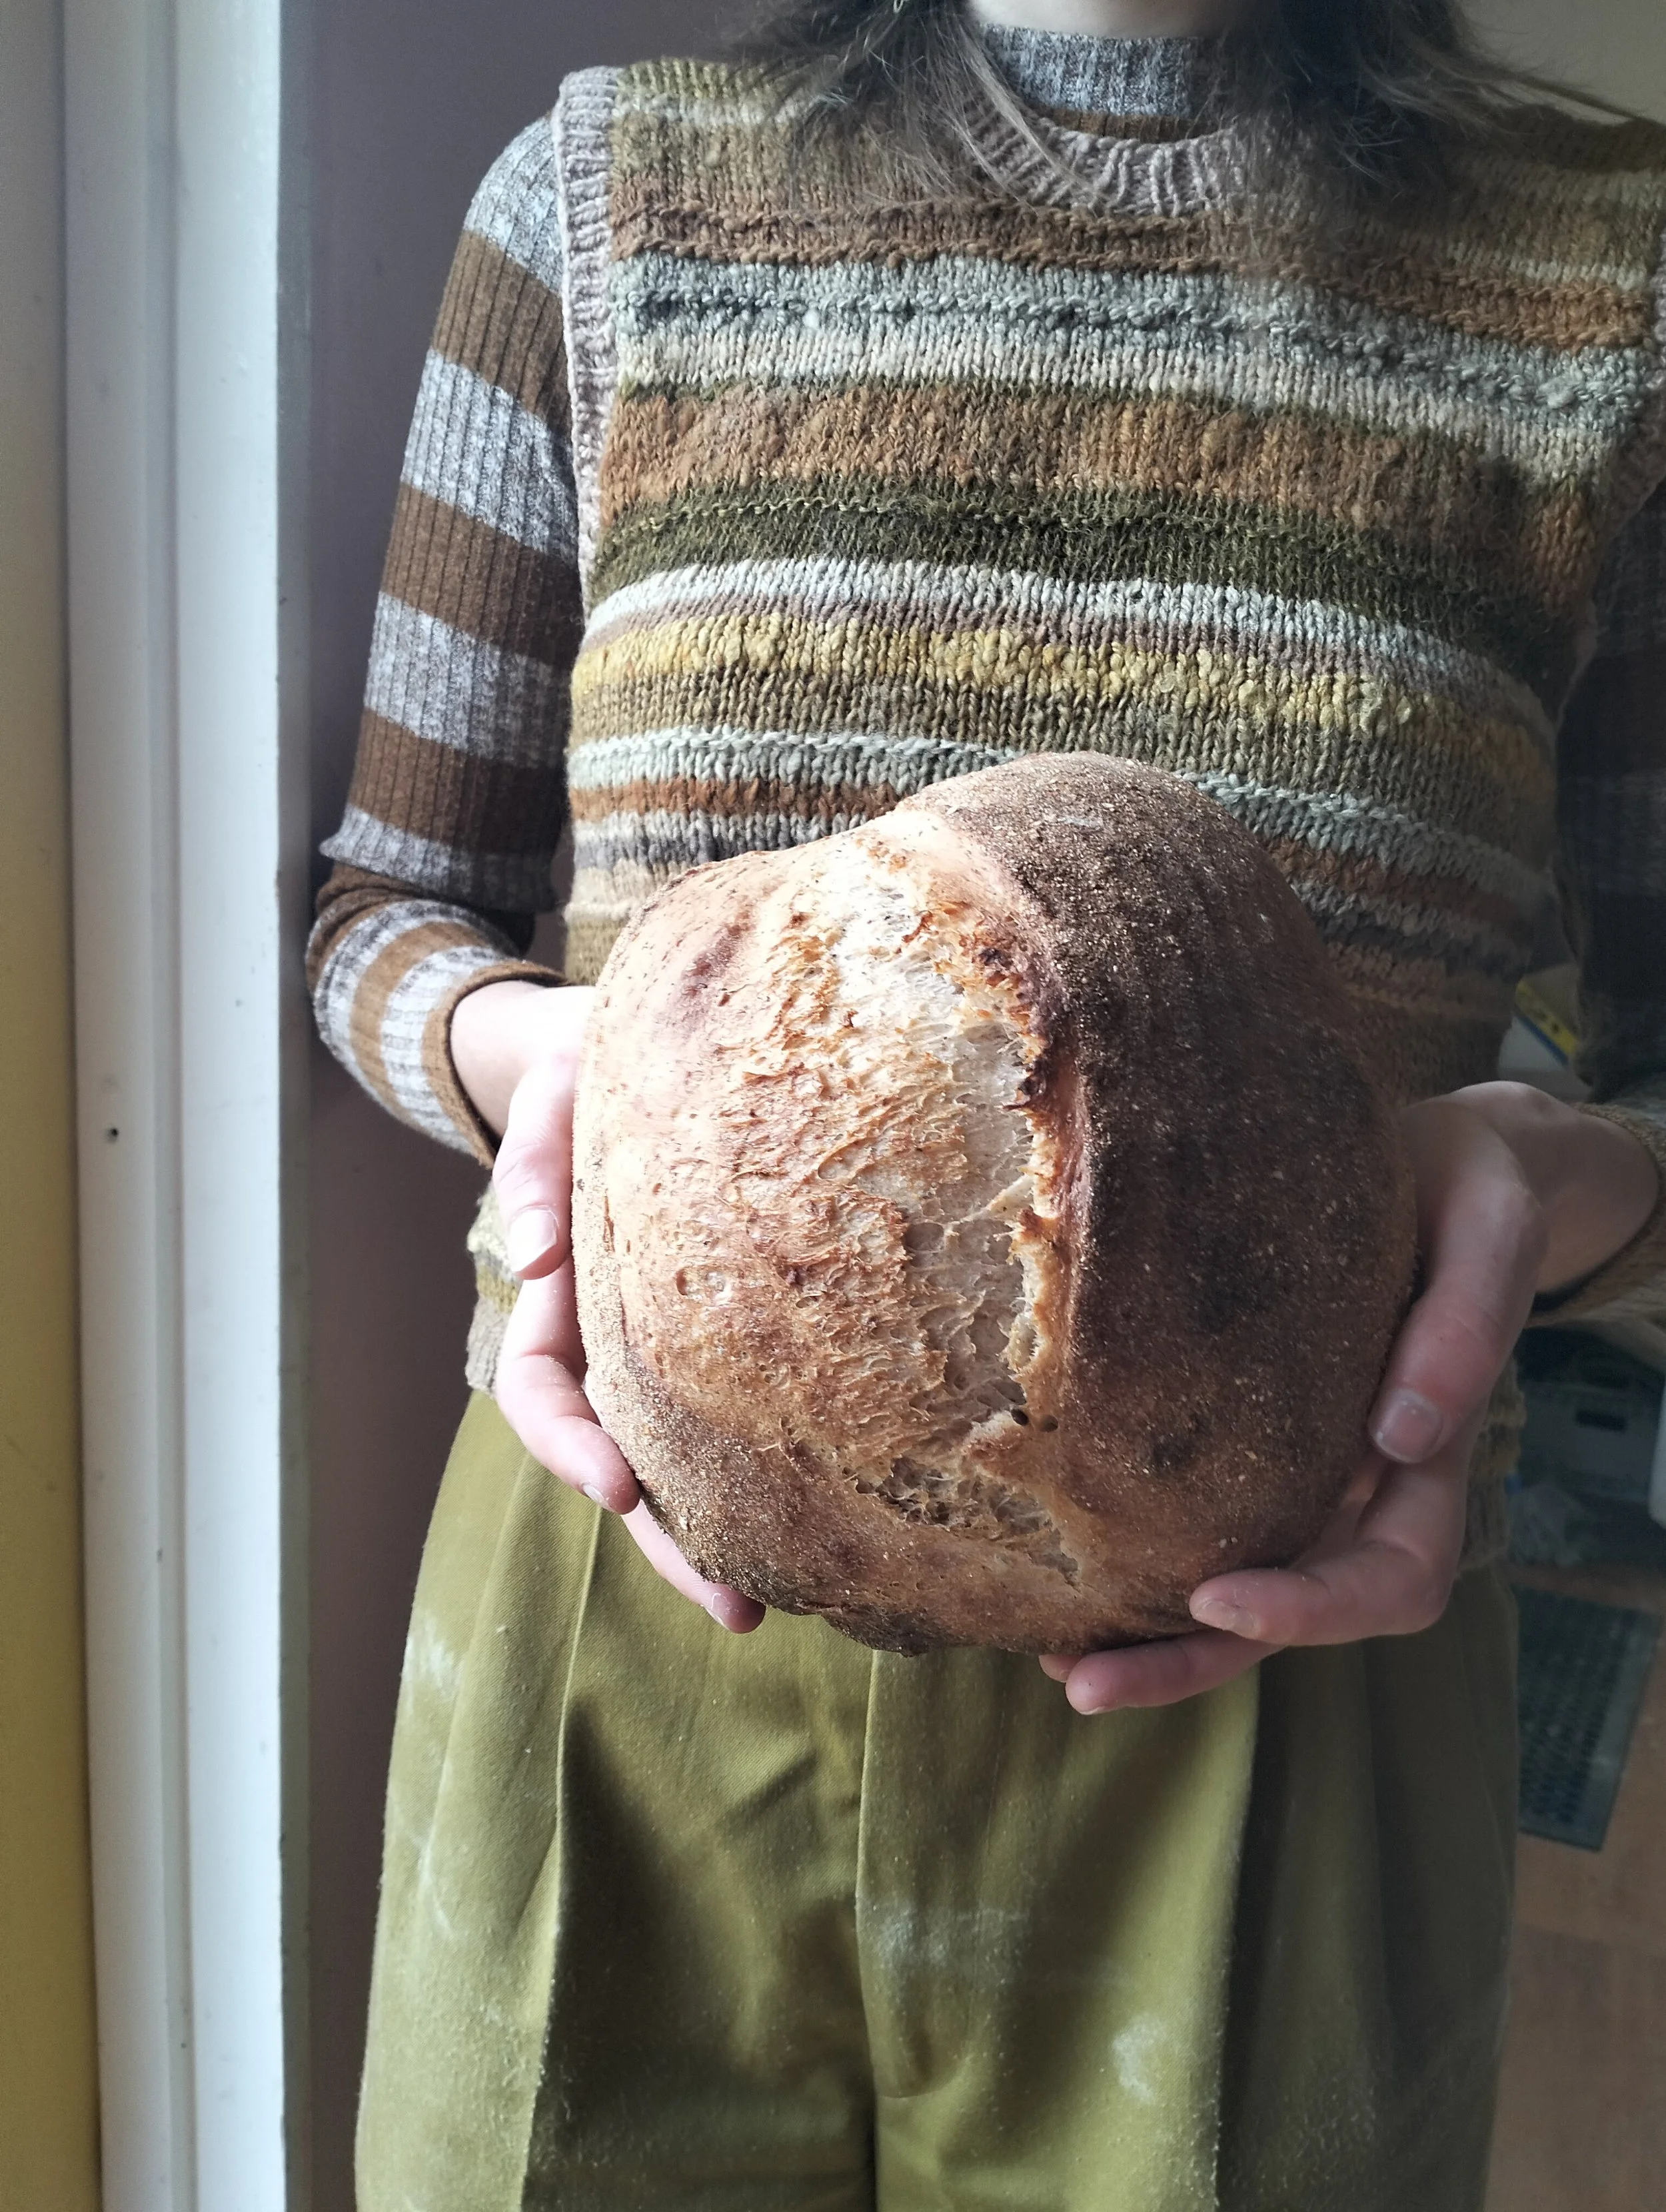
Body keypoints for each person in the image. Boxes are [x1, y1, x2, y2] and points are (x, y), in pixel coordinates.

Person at [308, 0, 1666, 2203]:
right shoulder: (598, 206)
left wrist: (1554, 1180)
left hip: (1270, 1680)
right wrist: (538, 1059)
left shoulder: (1618, 280)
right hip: (625, 1639)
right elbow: (379, 923)